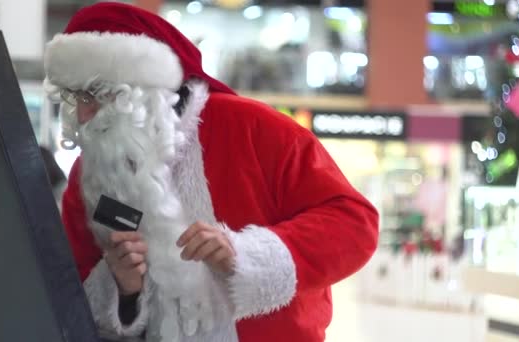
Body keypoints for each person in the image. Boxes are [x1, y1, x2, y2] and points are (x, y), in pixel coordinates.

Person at [43, 2, 379, 342]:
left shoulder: (254, 129)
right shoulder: (91, 176)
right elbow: (72, 292)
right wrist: (123, 289)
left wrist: (245, 253)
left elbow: (354, 222)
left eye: (97, 95)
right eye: (77, 97)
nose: (85, 116)